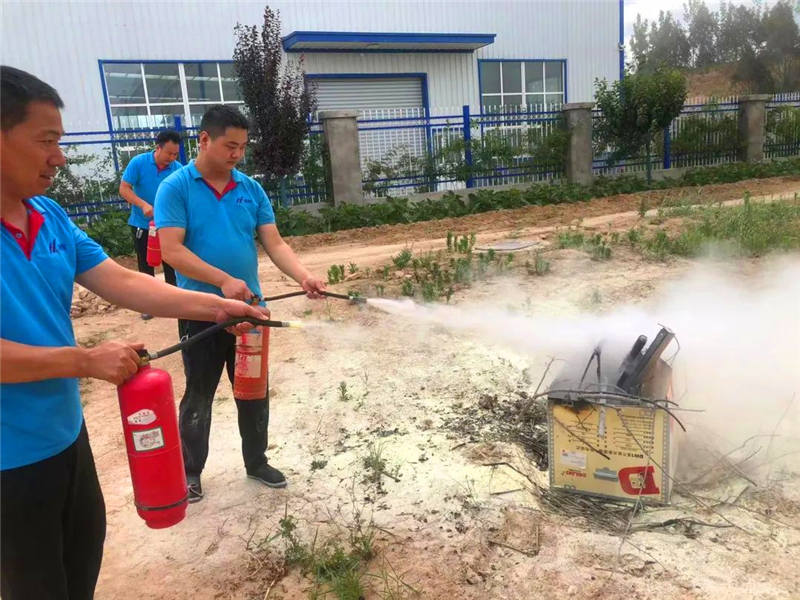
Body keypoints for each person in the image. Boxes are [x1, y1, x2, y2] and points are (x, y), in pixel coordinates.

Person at [0, 66, 268, 600]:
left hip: (64, 436)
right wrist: (83, 360)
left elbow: (125, 283)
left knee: (80, 570)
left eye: (61, 141)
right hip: (8, 461)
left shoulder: (48, 216)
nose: (60, 157)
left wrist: (218, 307)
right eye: (46, 141)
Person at [156, 104, 325, 503]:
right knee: (199, 391)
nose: (237, 154)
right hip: (201, 312)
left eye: (243, 147)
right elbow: (172, 251)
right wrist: (222, 281)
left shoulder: (250, 189)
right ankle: (191, 471)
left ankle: (256, 461)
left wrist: (303, 276)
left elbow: (275, 242)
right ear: (204, 140)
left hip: (251, 314)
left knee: (253, 389)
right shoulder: (176, 188)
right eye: (230, 145)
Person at [119, 129, 183, 320]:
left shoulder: (177, 169)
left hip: (167, 226)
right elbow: (124, 188)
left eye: (175, 154)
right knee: (146, 265)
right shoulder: (139, 163)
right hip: (142, 224)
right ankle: (149, 305)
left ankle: (174, 302)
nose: (171, 158)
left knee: (172, 262)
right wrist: (143, 205)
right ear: (158, 148)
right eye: (168, 153)